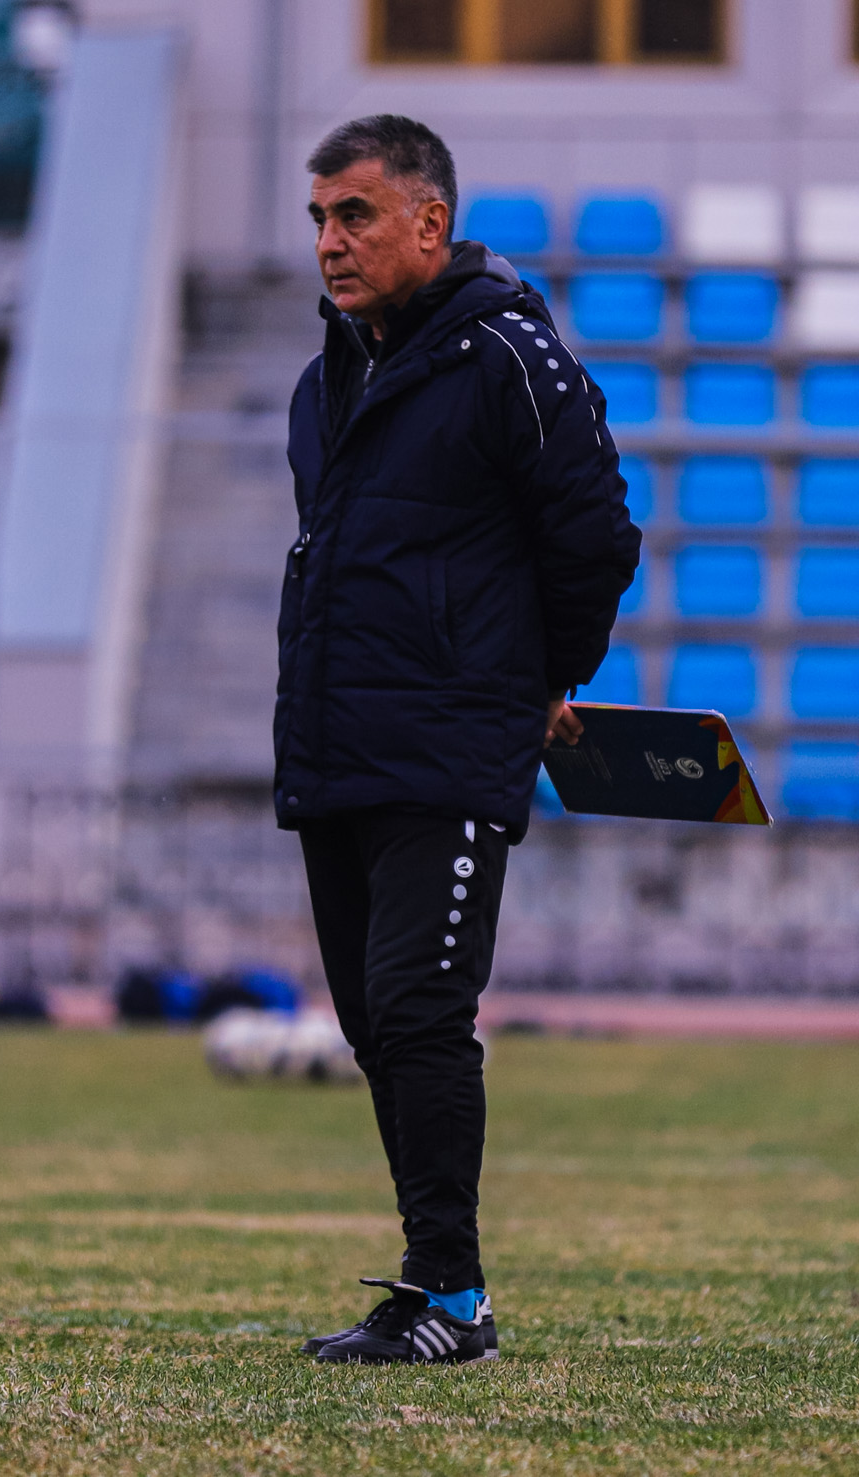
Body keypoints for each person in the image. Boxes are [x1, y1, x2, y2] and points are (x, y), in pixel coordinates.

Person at [276, 116, 641, 1363]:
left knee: (424, 1011)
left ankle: (453, 1296)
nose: (330, 241)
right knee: (377, 1022)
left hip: (451, 743)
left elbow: (596, 536)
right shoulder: (327, 378)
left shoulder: (513, 359)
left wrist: (549, 675)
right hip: (339, 745)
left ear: (430, 222)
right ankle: (434, 1283)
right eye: (320, 217)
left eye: (357, 215)